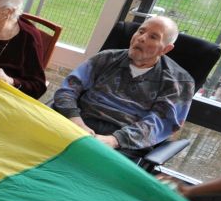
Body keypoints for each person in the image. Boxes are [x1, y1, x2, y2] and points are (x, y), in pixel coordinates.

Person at [49, 16, 193, 158]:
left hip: (125, 141)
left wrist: (115, 140)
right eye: (141, 31)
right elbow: (67, 90)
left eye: (153, 37)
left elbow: (162, 123)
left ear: (166, 49)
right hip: (79, 121)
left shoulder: (179, 81)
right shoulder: (106, 58)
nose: (141, 38)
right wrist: (75, 120)